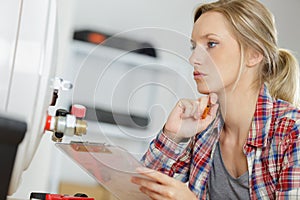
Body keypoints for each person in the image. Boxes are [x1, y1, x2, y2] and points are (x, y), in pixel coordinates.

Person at [131, 0, 300, 199]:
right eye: (194, 46)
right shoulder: (204, 129)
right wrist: (173, 135)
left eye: (211, 44)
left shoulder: (292, 132)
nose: (193, 59)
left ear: (254, 54)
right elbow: (138, 192)